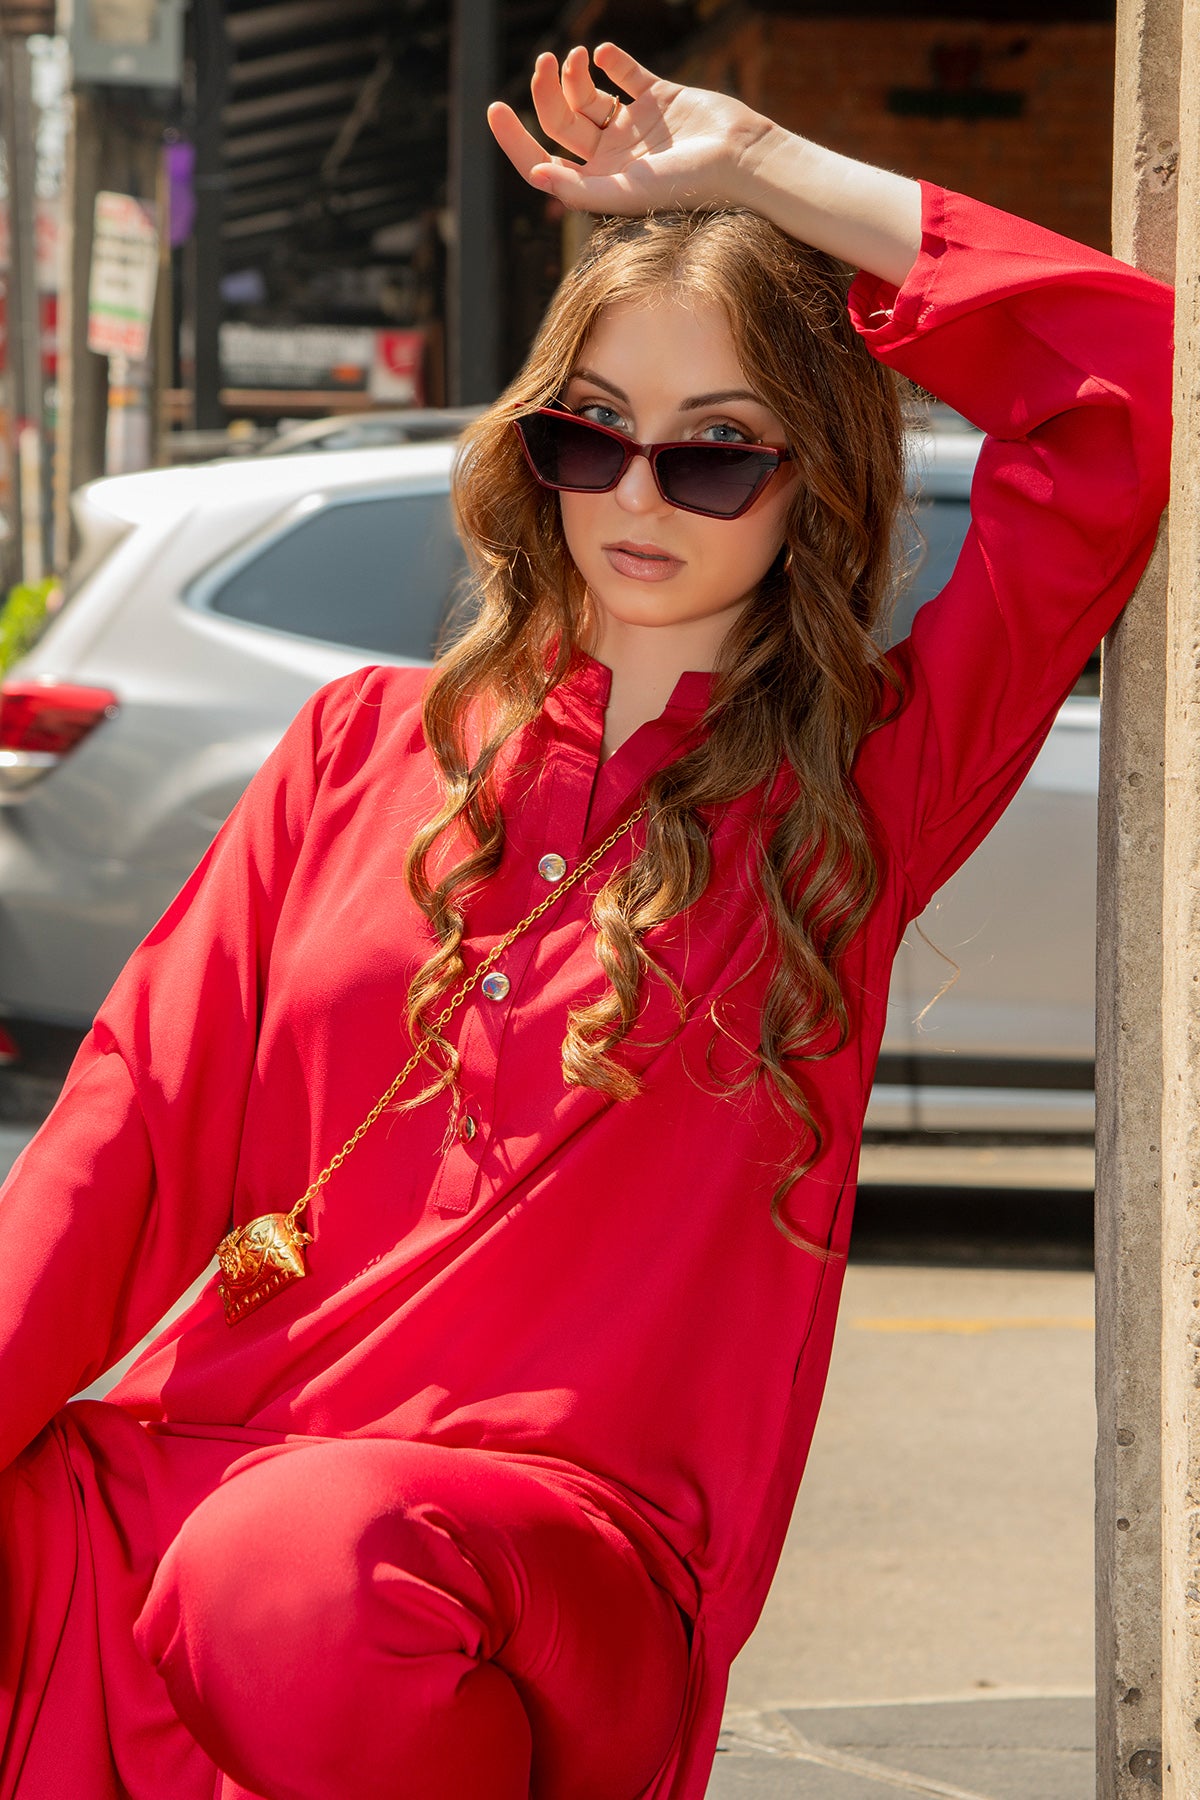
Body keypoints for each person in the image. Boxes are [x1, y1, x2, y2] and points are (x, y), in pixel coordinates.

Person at [0, 39, 1172, 1800]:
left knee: (295, 1575)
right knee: (218, 1549)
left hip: (549, 1568)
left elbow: (1124, 384)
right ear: (532, 447)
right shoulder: (354, 748)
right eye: (592, 432)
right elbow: (123, 1138)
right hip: (216, 1474)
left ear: (818, 480)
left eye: (719, 454)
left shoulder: (860, 791)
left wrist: (766, 166)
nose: (638, 493)